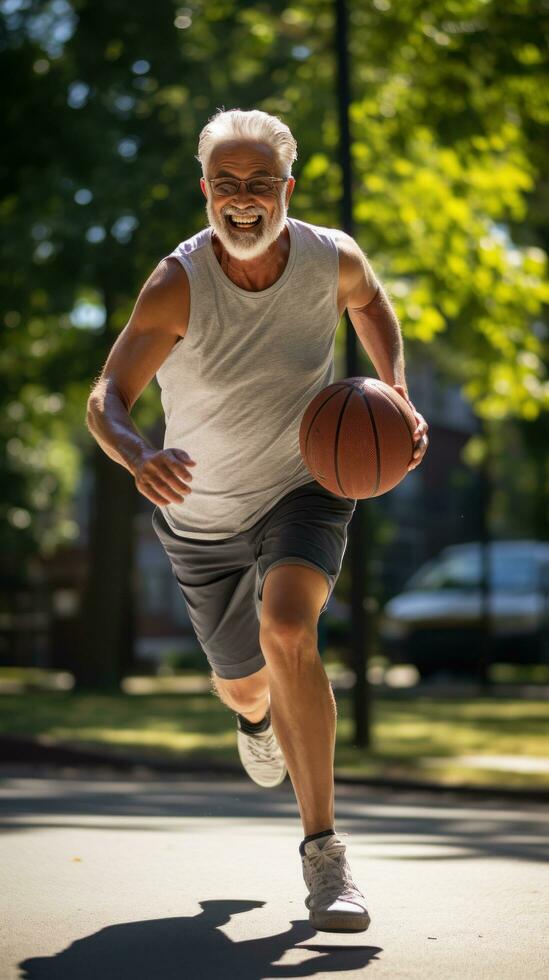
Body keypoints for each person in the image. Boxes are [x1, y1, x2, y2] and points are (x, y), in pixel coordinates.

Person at [86, 108, 429, 933]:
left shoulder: (329, 256)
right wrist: (140, 457)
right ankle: (253, 718)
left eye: (260, 184)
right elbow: (107, 399)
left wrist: (397, 390)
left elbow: (372, 303)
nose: (244, 200)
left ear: (287, 188)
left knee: (288, 630)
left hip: (304, 484)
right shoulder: (178, 282)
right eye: (227, 185)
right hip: (199, 512)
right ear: (206, 191)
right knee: (243, 683)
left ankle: (324, 857)